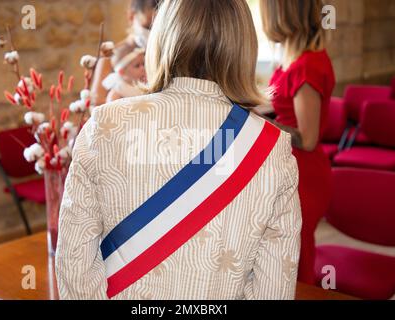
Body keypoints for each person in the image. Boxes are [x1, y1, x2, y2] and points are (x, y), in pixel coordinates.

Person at [56, 0, 302, 300]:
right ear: (244, 49)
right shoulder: (272, 148)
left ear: (162, 38)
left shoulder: (104, 126)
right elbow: (273, 289)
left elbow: (75, 264)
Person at [260, 0, 336, 285]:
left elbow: (307, 138)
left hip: (306, 175)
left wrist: (258, 122)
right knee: (286, 255)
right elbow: (285, 112)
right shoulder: (294, 58)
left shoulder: (308, 65)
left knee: (297, 261)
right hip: (291, 167)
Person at [91, 0, 160, 106]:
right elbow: (95, 104)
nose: (152, 31)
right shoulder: (111, 55)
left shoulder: (165, 54)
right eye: (148, 26)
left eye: (158, 27)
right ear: (131, 16)